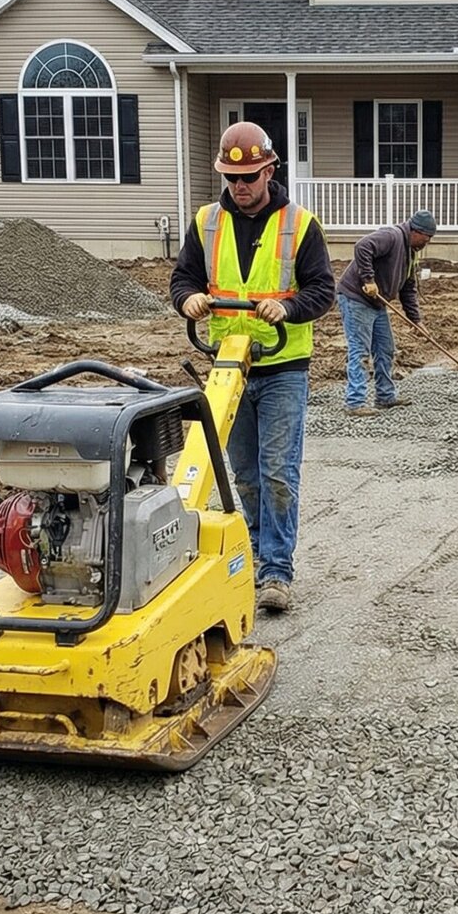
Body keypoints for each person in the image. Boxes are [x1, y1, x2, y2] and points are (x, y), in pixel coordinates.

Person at [170, 122, 336, 615]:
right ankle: (262, 556)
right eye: (232, 178)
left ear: (270, 170)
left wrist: (288, 309)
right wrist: (190, 300)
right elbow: (182, 278)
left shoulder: (300, 225)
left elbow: (322, 290)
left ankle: (278, 571)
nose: (240, 187)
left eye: (249, 177)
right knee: (243, 475)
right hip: (228, 365)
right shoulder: (205, 223)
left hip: (283, 364)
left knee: (278, 472)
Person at [334, 210, 435, 416]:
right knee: (360, 350)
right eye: (426, 239)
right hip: (356, 298)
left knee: (385, 349)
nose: (426, 244)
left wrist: (416, 321)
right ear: (416, 231)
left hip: (376, 304)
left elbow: (408, 288)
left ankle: (385, 396)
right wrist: (368, 280)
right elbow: (362, 246)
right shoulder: (392, 236)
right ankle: (355, 403)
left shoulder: (410, 253)